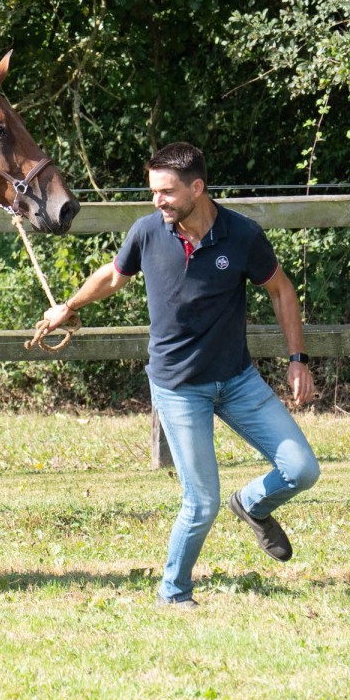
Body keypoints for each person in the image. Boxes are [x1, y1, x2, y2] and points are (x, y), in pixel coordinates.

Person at [41, 142, 320, 609]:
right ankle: (173, 592)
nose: (157, 202)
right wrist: (67, 307)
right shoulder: (148, 232)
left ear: (197, 187)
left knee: (303, 469)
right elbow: (113, 275)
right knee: (201, 501)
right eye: (153, 192)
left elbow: (281, 290)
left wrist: (298, 358)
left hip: (237, 380)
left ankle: (252, 504)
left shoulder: (241, 236)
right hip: (178, 387)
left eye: (166, 192)